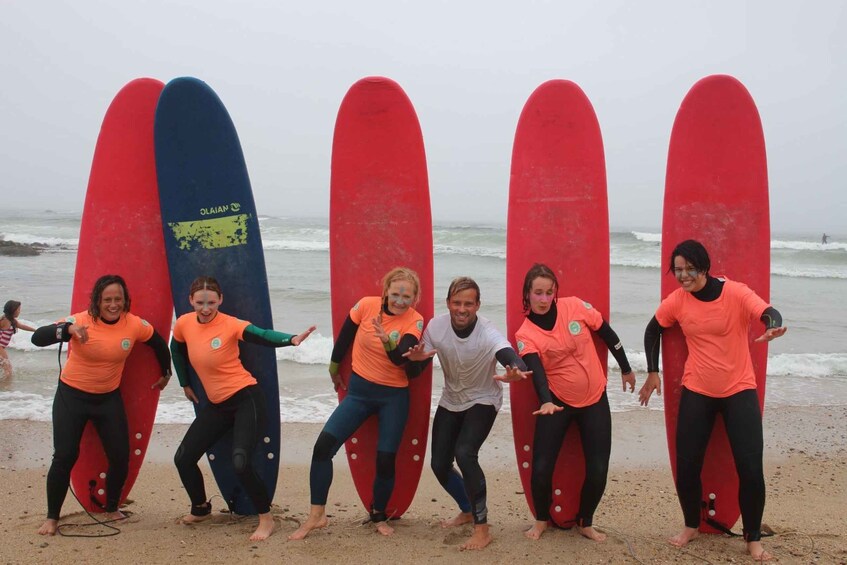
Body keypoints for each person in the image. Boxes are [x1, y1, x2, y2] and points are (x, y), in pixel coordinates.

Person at [639, 239, 786, 562]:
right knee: (687, 466)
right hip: (697, 391)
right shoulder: (677, 301)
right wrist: (653, 372)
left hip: (739, 390)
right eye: (677, 270)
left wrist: (773, 327)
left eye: (689, 269)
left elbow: (768, 312)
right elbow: (653, 331)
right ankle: (691, 525)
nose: (683, 276)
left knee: (749, 469)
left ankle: (753, 539)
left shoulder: (734, 292)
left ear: (704, 267)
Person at [170, 276, 315, 542]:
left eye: (211, 302)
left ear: (220, 300)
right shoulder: (184, 323)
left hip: (245, 398)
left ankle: (266, 519)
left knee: (240, 461)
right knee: (183, 458)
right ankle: (200, 509)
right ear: (191, 300)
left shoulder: (230, 325)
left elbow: (261, 335)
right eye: (200, 302)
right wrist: (184, 382)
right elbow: (176, 349)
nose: (205, 308)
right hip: (217, 405)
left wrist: (291, 339)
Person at [30, 274, 172, 535]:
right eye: (107, 299)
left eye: (118, 299)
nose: (113, 304)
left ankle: (111, 507)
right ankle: (52, 518)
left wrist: (166, 371)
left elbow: (158, 343)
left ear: (125, 299)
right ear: (97, 300)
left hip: (107, 398)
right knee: (65, 455)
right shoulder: (80, 320)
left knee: (120, 456)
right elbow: (37, 338)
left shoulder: (133, 324)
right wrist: (67, 330)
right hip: (71, 397)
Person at [289, 267, 424, 540]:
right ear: (386, 290)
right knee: (323, 447)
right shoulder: (366, 305)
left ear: (414, 298)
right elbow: (345, 336)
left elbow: (400, 359)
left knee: (385, 459)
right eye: (395, 293)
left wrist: (387, 341)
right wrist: (333, 367)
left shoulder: (415, 321)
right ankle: (317, 515)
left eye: (406, 296)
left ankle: (378, 514)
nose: (400, 300)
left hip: (393, 398)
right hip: (359, 394)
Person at [403, 276, 531, 550]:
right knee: (439, 464)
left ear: (478, 305)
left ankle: (482, 529)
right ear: (448, 302)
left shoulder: (487, 331)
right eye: (457, 303)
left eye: (468, 304)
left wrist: (516, 369)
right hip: (451, 399)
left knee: (465, 453)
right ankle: (466, 509)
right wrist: (413, 362)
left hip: (483, 399)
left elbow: (508, 353)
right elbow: (416, 370)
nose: (462, 309)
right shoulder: (435, 327)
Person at [515, 263, 636, 542]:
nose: (544, 299)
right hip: (556, 402)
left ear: (555, 292)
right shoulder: (525, 334)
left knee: (598, 467)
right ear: (528, 294)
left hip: (595, 398)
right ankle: (541, 519)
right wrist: (545, 401)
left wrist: (626, 368)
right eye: (538, 293)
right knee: (542, 466)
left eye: (549, 292)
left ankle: (586, 522)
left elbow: (607, 334)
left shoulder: (575, 307)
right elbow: (537, 373)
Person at [1, 300, 36, 379]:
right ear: (12, 310)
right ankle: (6, 386)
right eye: (18, 309)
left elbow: (22, 326)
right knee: (8, 369)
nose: (19, 311)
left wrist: (35, 330)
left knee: (4, 368)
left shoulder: (12, 320)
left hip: (2, 348)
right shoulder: (5, 320)